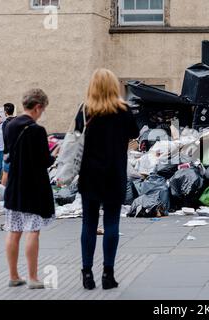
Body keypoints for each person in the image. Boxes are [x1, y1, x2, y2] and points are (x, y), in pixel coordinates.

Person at [76, 69, 139, 290]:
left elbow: (77, 138)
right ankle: (108, 274)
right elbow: (134, 134)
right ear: (114, 86)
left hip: (90, 175)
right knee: (112, 223)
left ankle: (86, 274)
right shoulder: (124, 111)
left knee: (89, 224)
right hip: (114, 174)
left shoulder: (85, 112)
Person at [4, 89, 57, 289]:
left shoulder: (10, 126)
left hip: (14, 184)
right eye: (42, 110)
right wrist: (55, 152)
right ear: (37, 107)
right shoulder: (36, 130)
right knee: (32, 230)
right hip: (33, 186)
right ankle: (33, 277)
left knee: (13, 230)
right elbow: (44, 160)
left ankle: (14, 275)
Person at [1, 103, 17, 186]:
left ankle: (2, 193)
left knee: (5, 173)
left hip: (8, 151)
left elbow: (5, 138)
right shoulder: (18, 121)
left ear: (5, 112)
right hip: (18, 151)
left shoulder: (5, 123)